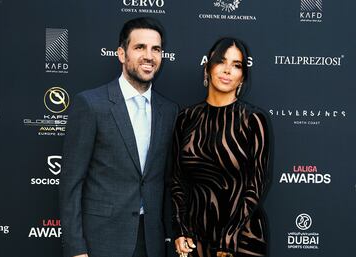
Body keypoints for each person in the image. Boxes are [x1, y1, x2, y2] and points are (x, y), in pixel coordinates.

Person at [59, 17, 179, 257]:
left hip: (151, 242)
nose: (149, 56)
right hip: (101, 241)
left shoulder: (169, 110)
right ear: (121, 54)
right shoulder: (91, 105)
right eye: (139, 47)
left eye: (156, 49)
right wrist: (76, 248)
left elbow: (165, 180)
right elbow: (71, 184)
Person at [172, 38, 270, 257]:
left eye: (236, 65)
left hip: (242, 238)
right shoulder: (186, 118)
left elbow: (258, 181)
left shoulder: (253, 119)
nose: (227, 71)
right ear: (208, 67)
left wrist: (230, 235)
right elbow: (177, 179)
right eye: (221, 62)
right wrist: (180, 229)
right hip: (195, 239)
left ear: (243, 76)